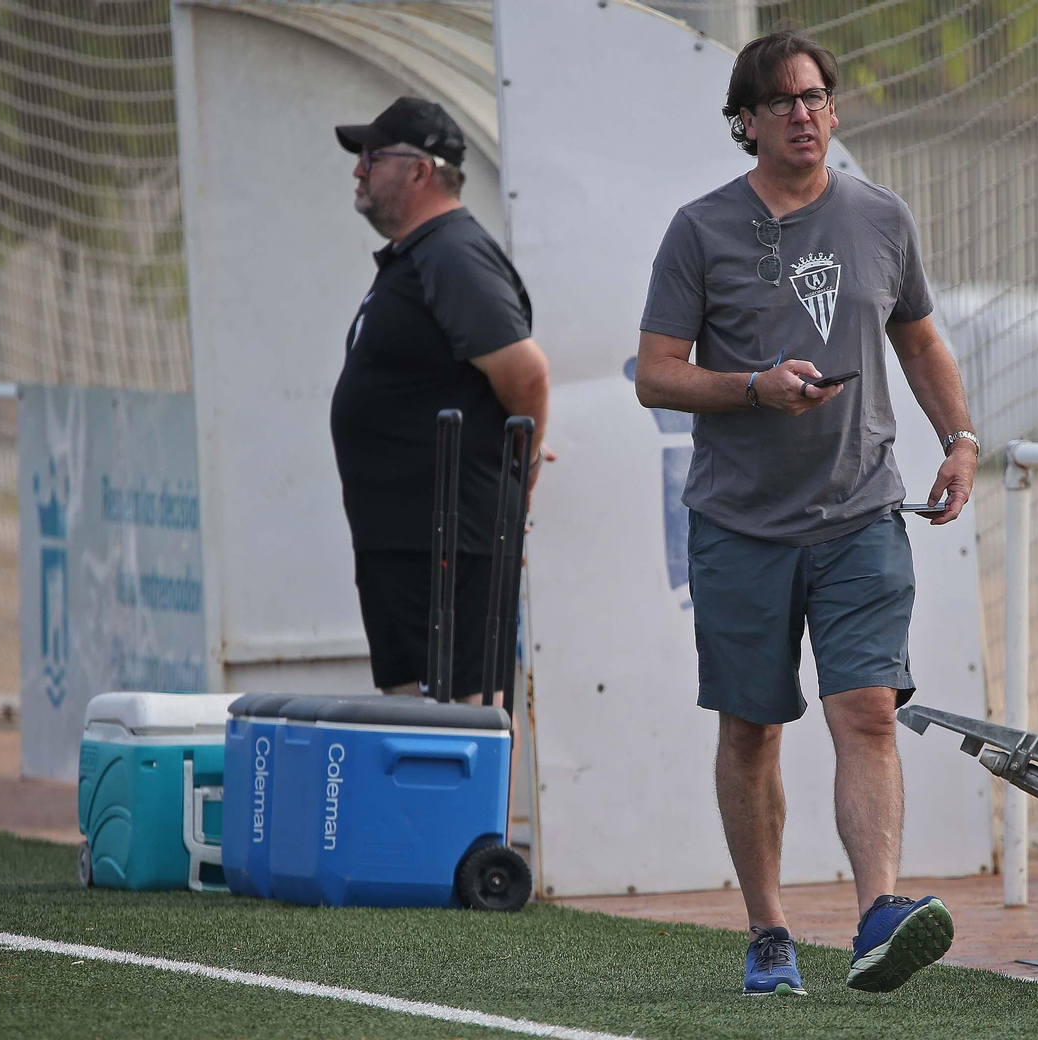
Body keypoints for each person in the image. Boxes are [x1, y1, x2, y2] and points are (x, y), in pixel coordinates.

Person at [635, 32, 979, 996]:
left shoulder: (880, 216)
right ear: (744, 122)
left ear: (834, 111)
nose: (803, 113)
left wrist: (960, 439)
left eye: (817, 97)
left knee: (868, 710)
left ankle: (877, 917)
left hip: (862, 514)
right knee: (752, 730)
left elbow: (917, 336)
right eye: (782, 101)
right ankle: (770, 934)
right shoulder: (699, 229)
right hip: (740, 527)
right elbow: (655, 375)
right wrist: (754, 387)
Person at [331, 97, 552, 704]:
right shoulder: (422, 255)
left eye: (371, 157)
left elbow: (526, 372)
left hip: (448, 541)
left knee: (457, 726)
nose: (359, 170)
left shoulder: (452, 251)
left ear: (419, 170)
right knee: (410, 726)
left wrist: (522, 466)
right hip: (405, 540)